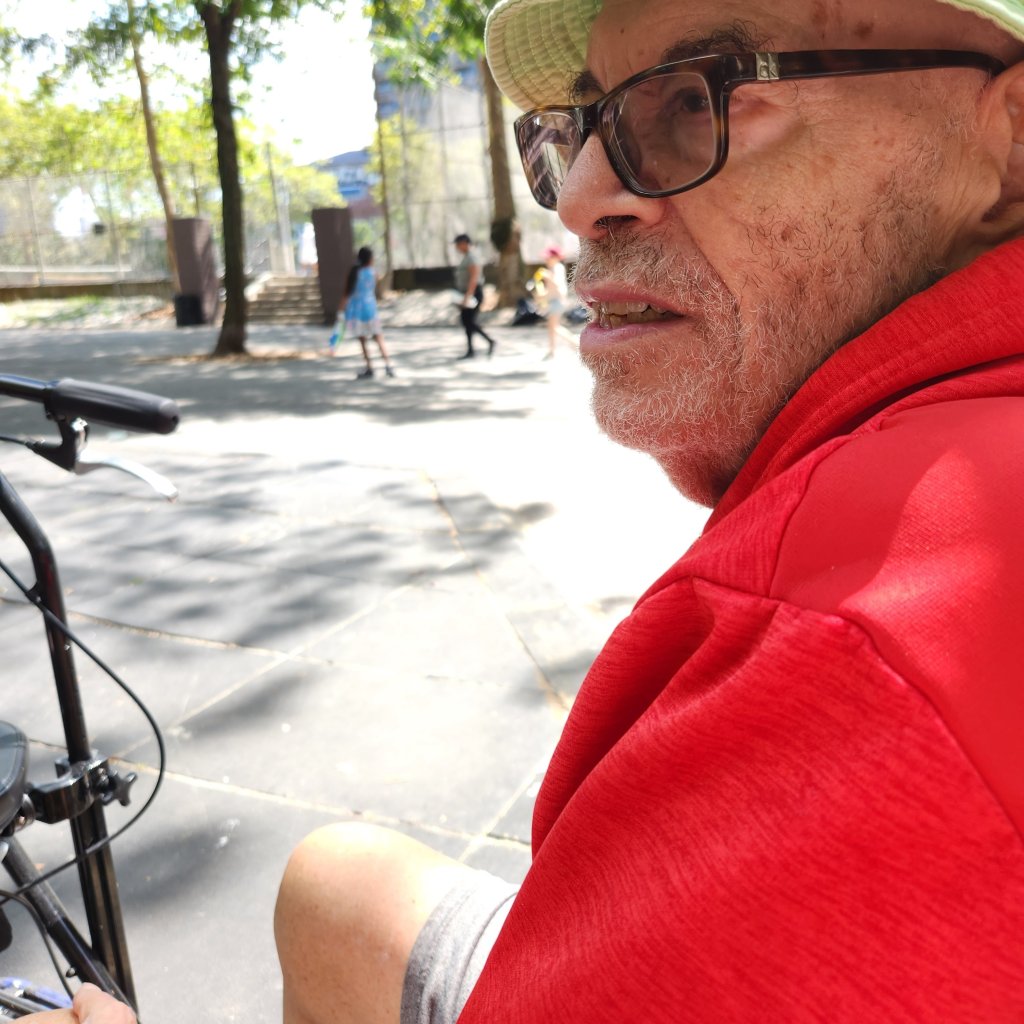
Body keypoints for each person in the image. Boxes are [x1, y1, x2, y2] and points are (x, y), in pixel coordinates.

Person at [291, 0, 1024, 1019]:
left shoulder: (847, 642)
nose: (582, 198)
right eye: (581, 125)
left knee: (328, 876)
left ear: (1011, 146)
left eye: (695, 98)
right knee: (336, 892)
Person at [341, 247, 394, 380]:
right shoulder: (373, 272)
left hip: (357, 310)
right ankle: (388, 365)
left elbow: (347, 293)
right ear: (370, 259)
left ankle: (369, 367)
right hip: (371, 309)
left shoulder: (354, 273)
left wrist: (341, 311)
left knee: (363, 340)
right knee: (378, 338)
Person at [451, 233, 497, 359]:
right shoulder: (467, 257)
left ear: (464, 243)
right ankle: (471, 349)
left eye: (458, 244)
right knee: (467, 321)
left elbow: (474, 278)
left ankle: (489, 341)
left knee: (469, 321)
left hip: (473, 293)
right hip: (466, 293)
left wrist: (467, 297)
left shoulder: (472, 257)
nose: (457, 247)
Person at [533, 244, 574, 359]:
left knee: (554, 327)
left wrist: (548, 276)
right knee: (553, 327)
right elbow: (550, 290)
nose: (546, 260)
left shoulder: (557, 268)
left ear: (556, 258)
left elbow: (557, 285)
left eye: (549, 258)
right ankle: (552, 350)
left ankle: (573, 342)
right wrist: (541, 297)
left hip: (558, 301)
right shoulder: (551, 269)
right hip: (553, 301)